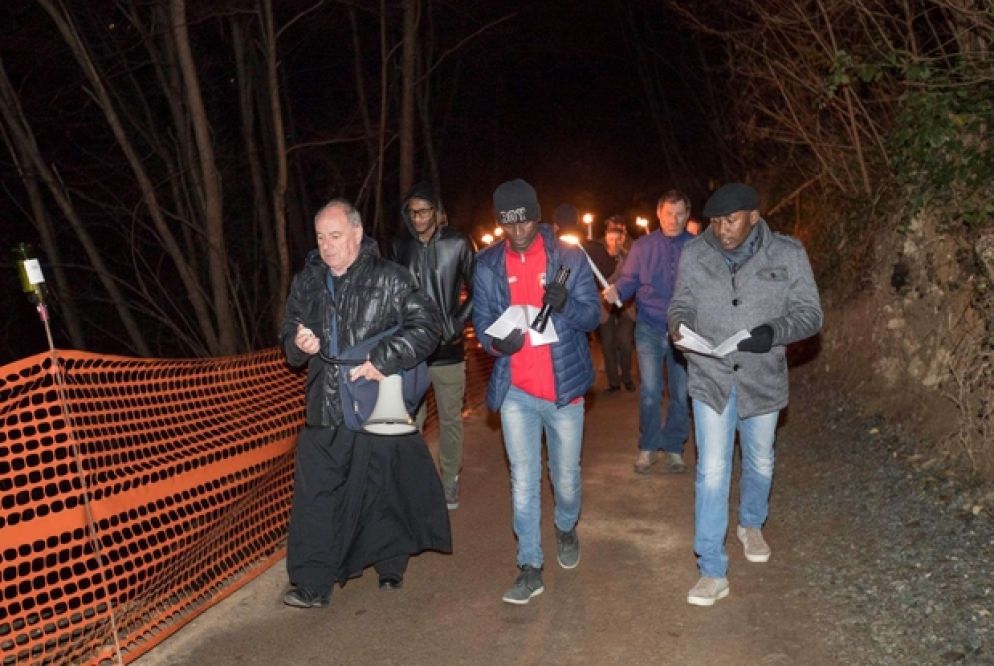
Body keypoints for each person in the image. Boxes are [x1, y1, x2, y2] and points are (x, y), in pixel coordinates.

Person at [279, 198, 450, 609]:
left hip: (376, 403)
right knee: (315, 496)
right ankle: (312, 583)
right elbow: (288, 338)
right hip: (324, 404)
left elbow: (428, 327)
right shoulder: (307, 282)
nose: (327, 245)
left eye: (335, 236)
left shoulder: (391, 278)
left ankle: (390, 564)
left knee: (382, 487)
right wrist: (299, 345)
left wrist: (384, 358)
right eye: (321, 237)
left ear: (357, 234)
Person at [667, 183, 822, 606]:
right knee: (712, 471)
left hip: (761, 376)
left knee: (760, 458)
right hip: (711, 376)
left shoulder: (788, 254)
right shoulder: (695, 254)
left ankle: (751, 523)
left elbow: (810, 314)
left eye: (731, 220)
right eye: (715, 221)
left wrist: (774, 332)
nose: (722, 230)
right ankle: (711, 569)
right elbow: (679, 303)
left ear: (754, 216)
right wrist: (678, 326)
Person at [472, 178, 600, 605]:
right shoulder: (487, 264)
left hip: (563, 390)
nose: (519, 230)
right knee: (523, 480)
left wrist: (565, 305)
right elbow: (485, 322)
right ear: (500, 223)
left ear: (536, 215)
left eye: (525, 219)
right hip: (517, 391)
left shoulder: (568, 257)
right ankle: (529, 565)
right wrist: (495, 343)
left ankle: (565, 526)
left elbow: (592, 317)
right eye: (509, 223)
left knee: (565, 478)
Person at [389, 181, 475, 510]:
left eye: (424, 210)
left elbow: (479, 289)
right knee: (410, 420)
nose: (418, 217)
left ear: (437, 211)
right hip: (412, 354)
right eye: (412, 212)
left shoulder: (458, 242)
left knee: (450, 419)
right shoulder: (400, 246)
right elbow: (393, 295)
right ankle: (419, 479)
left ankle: (450, 477)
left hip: (449, 350)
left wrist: (458, 321)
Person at [602, 190, 694, 474]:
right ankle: (649, 446)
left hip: (684, 330)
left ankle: (675, 447)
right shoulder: (642, 247)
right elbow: (628, 280)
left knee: (681, 392)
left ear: (687, 215)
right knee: (651, 391)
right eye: (669, 213)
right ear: (659, 214)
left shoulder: (697, 247)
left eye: (679, 213)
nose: (674, 219)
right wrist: (616, 291)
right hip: (650, 327)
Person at [589, 219, 635, 393]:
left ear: (623, 239)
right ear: (605, 240)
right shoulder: (598, 259)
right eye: (611, 239)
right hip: (605, 307)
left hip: (626, 306)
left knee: (624, 343)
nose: (615, 243)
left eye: (618, 239)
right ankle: (613, 381)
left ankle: (627, 377)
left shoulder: (630, 257)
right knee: (607, 345)